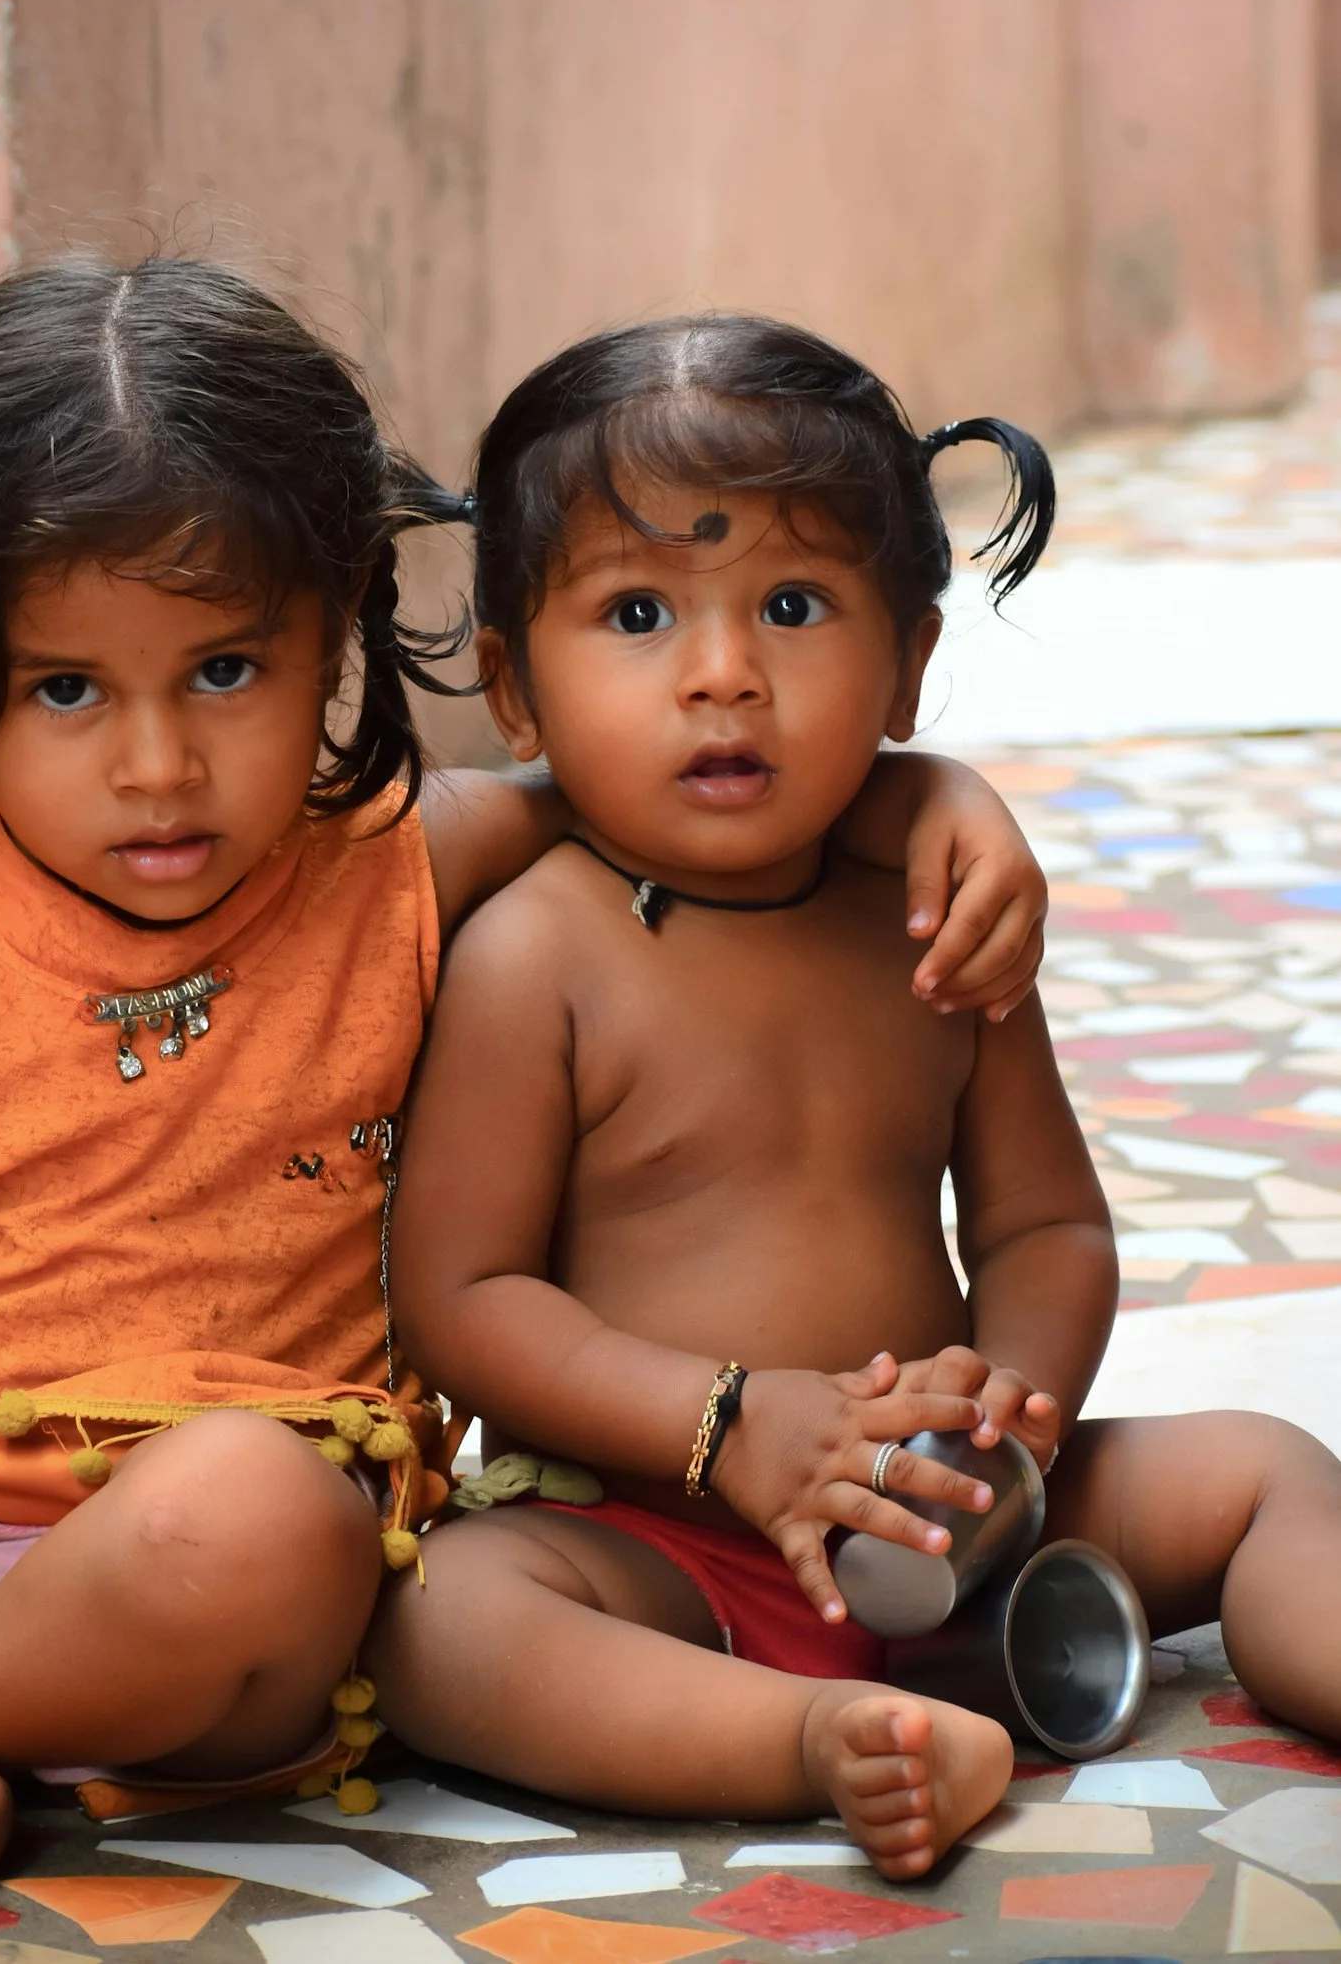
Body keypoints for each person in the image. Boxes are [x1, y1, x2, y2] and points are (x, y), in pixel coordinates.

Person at [0, 267, 1046, 1959]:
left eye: (230, 670)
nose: (160, 765)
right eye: (66, 690)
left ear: (336, 629)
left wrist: (935, 794)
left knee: (254, 1515)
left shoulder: (398, 871)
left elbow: (682, 781)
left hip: (225, 1605)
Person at [372, 313, 1341, 1881]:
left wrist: (1010, 1421)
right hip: (665, 1540)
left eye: (795, 605)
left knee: (1267, 1466)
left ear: (907, 663)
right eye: (635, 614)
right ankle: (813, 1743)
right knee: (442, 1618)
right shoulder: (533, 955)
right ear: (516, 691)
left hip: (954, 1521)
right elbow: (461, 1303)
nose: (723, 675)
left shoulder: (932, 924)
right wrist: (726, 1428)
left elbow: (1044, 1226)